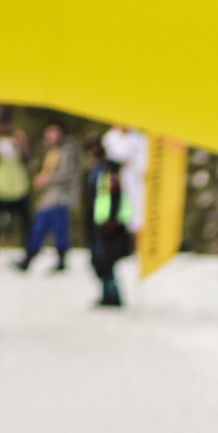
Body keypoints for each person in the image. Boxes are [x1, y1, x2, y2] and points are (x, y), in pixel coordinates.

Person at [82, 136, 131, 308]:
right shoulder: (96, 170)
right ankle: (108, 294)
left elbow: (115, 196)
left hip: (108, 223)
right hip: (99, 221)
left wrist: (112, 220)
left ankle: (112, 295)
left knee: (105, 261)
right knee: (99, 261)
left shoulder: (109, 170)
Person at [21, 122, 77, 272]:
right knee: (38, 228)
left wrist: (46, 179)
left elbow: (66, 173)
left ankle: (60, 260)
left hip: (60, 197)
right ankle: (28, 258)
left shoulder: (66, 151)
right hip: (48, 197)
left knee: (59, 229)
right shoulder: (48, 152)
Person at [0, 128, 30, 257]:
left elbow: (26, 157)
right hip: (1, 187)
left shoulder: (17, 140)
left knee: (25, 220)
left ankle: (28, 246)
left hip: (19, 187)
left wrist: (21, 143)